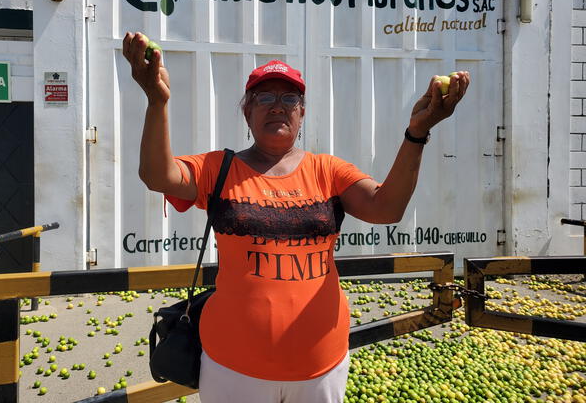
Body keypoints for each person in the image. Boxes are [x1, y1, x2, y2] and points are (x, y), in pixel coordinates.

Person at [122, 31, 469, 403]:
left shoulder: (328, 170)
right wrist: (156, 101)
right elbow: (158, 176)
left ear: (302, 113)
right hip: (233, 365)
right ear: (247, 111)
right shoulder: (217, 168)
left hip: (320, 364)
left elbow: (386, 208)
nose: (277, 106)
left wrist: (417, 133)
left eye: (289, 98)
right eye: (264, 98)